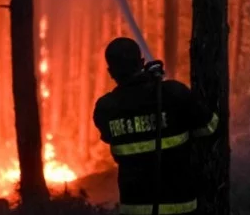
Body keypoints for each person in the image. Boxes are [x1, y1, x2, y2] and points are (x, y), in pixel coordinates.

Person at [93, 37, 219, 215]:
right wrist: (154, 82)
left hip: (134, 208)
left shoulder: (105, 109)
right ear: (142, 62)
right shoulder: (173, 94)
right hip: (181, 206)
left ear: (111, 72)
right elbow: (210, 125)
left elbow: (111, 134)